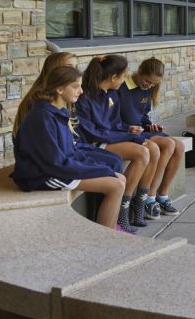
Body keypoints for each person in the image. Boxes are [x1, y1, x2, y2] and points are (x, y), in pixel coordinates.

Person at [12, 65, 127, 230]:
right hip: (41, 175)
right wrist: (103, 171)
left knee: (118, 178)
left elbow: (71, 152)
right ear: (59, 89)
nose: (81, 91)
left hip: (57, 167)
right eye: (75, 86)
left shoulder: (58, 112)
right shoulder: (42, 118)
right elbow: (56, 164)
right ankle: (104, 240)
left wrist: (99, 167)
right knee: (115, 184)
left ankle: (109, 231)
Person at [76, 55, 164, 232]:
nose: (125, 80)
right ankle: (123, 210)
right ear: (113, 77)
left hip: (107, 137)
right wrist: (128, 136)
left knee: (152, 148)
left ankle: (138, 202)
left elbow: (114, 124)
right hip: (93, 143)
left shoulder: (111, 95)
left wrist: (129, 129)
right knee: (142, 152)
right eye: (124, 76)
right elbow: (93, 132)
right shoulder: (86, 97)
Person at [117, 58, 182, 217]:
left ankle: (162, 194)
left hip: (141, 129)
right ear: (139, 71)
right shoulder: (121, 87)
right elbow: (113, 117)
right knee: (167, 144)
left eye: (153, 84)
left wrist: (150, 125)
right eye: (147, 81)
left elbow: (142, 115)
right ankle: (148, 198)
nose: (149, 86)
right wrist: (130, 128)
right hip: (127, 132)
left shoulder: (146, 88)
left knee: (179, 146)